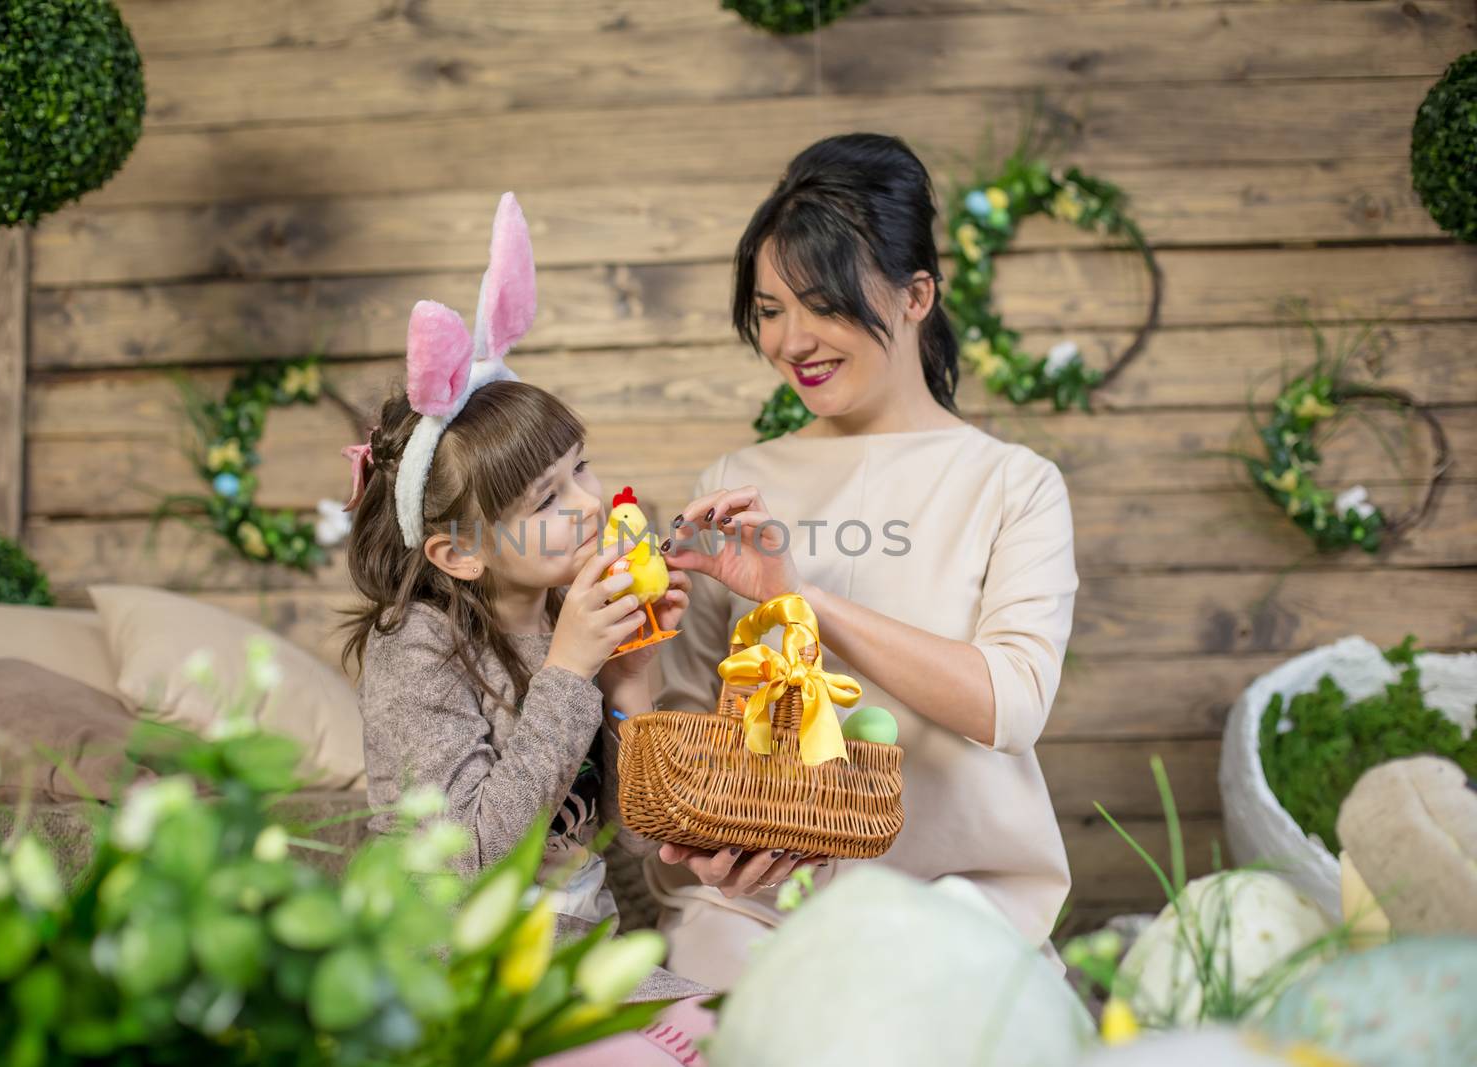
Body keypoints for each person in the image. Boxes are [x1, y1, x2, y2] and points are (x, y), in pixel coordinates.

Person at [645, 133, 1079, 990]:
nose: (792, 340)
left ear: (918, 294)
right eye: (770, 309)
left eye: (824, 302)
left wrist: (800, 597)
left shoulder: (1013, 484)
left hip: (960, 907)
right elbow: (688, 716)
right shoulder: (736, 484)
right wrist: (711, 850)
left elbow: (1011, 702)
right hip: (758, 914)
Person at [340, 193, 690, 928]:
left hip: (578, 946)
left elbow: (642, 834)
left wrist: (632, 674)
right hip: (453, 956)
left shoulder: (567, 614)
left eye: (581, 468)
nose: (590, 505)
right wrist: (567, 671)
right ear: (459, 552)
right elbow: (469, 862)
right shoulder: (415, 647)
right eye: (546, 499)